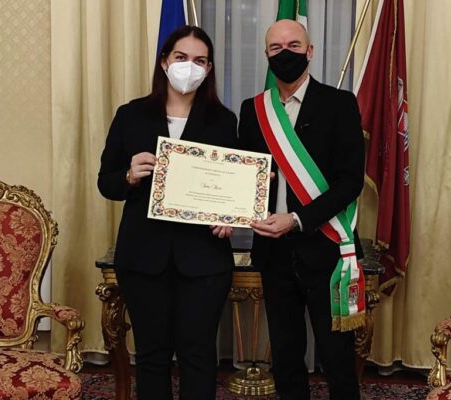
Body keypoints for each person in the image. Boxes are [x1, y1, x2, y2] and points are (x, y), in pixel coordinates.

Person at [97, 26, 236, 400]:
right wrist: (128, 176)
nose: (190, 67)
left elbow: (233, 187)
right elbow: (106, 183)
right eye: (181, 57)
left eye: (200, 60)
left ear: (209, 69)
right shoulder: (130, 115)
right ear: (164, 62)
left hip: (204, 259)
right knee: (152, 355)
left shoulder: (224, 121)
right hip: (143, 256)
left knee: (199, 355)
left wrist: (229, 216)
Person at [238, 19, 365, 400]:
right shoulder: (253, 110)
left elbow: (350, 181)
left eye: (294, 46)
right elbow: (245, 175)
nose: (285, 54)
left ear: (310, 51)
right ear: (266, 55)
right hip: (273, 252)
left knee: (337, 357)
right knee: (286, 355)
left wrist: (296, 219)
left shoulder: (340, 104)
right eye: (276, 48)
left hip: (326, 249)